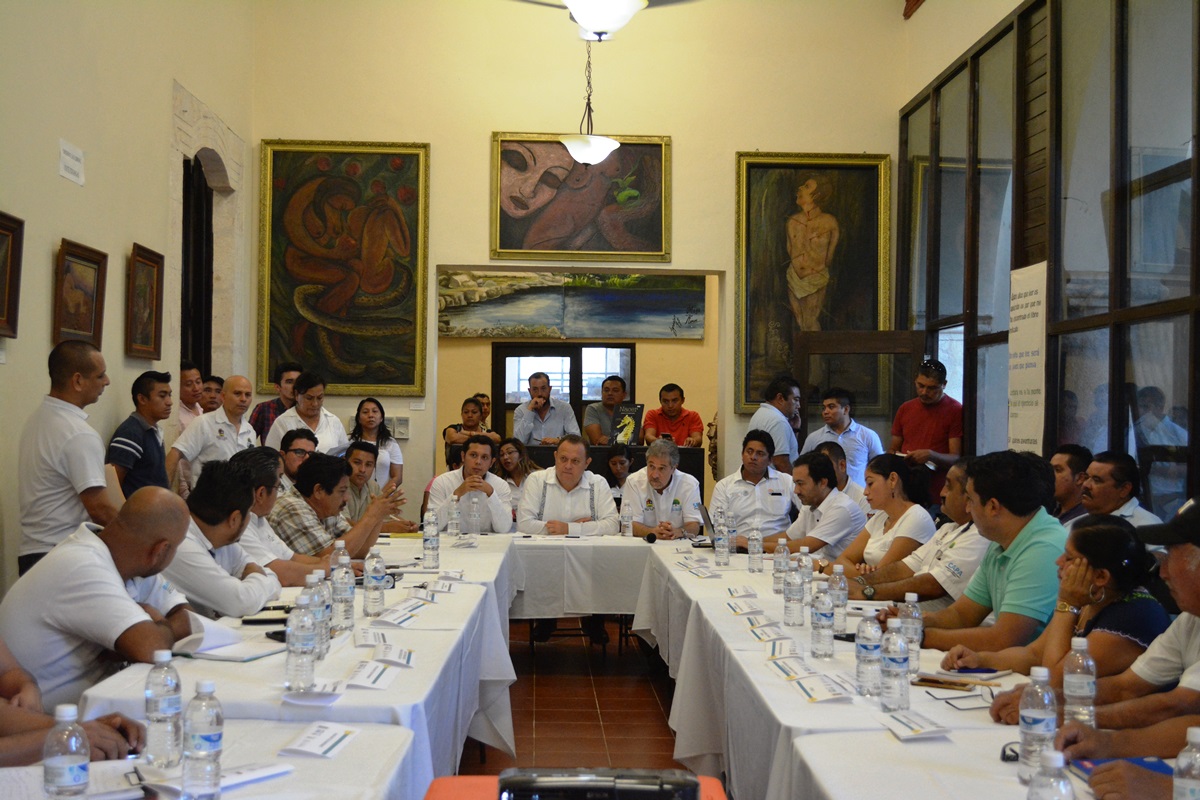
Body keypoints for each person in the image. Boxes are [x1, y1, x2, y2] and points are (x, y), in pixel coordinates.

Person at [994, 498, 1200, 739]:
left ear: (1101, 576)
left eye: (1172, 557)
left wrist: (1065, 712)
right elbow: (1124, 688)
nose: (1163, 573)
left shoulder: (1136, 614)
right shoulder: (1190, 620)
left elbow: (1179, 704)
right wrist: (1052, 698)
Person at [0, 488, 192, 708]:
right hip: (48, 719)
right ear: (160, 551)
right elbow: (152, 648)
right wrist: (156, 623)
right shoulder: (83, 564)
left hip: (93, 706)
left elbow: (188, 619)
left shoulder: (129, 558)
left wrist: (149, 632)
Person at [943, 516, 1169, 685]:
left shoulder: (1134, 616)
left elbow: (1056, 680)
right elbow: (1034, 654)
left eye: (1069, 558)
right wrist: (980, 659)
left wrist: (1066, 605)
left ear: (1101, 576)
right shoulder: (1092, 597)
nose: (1058, 562)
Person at [881, 450, 1065, 652]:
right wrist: (910, 621)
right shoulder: (1001, 540)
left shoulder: (1043, 548)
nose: (967, 509)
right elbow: (961, 615)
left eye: (970, 500)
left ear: (993, 507)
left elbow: (1003, 639)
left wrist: (916, 635)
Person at [17, 341, 118, 574]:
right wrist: (138, 539)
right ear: (78, 381)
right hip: (62, 554)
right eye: (100, 375)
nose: (107, 381)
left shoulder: (37, 420)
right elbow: (99, 509)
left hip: (34, 552)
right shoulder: (78, 433)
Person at [848, 459, 988, 611]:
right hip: (908, 612)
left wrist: (868, 592)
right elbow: (903, 567)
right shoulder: (947, 528)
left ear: (969, 498)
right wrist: (859, 581)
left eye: (949, 486)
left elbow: (932, 585)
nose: (941, 493)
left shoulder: (979, 537)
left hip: (923, 618)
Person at [517, 435, 618, 644]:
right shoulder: (537, 480)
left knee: (602, 563)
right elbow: (524, 523)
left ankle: (594, 620)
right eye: (563, 459)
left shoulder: (598, 483)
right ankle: (545, 619)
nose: (568, 466)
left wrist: (569, 528)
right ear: (555, 456)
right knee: (543, 563)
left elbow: (612, 524)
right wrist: (578, 528)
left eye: (575, 461)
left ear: (587, 463)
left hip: (588, 557)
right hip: (545, 556)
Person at [161, 460, 282, 619]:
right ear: (234, 519)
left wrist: (255, 580)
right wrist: (259, 579)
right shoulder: (181, 543)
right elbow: (240, 603)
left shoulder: (221, 538)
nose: (250, 517)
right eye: (249, 512)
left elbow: (270, 575)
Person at [269, 452, 405, 559]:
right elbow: (329, 557)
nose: (346, 498)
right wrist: (371, 516)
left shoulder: (325, 509)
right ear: (319, 491)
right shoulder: (292, 507)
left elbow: (359, 550)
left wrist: (378, 516)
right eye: (342, 491)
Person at [228, 446, 329, 586]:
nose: (280, 493)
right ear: (261, 493)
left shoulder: (259, 518)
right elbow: (283, 575)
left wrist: (333, 563)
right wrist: (326, 568)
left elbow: (292, 558)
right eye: (278, 486)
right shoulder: (238, 525)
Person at [823, 453, 936, 574]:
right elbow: (842, 561)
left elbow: (882, 575)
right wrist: (864, 573)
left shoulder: (916, 518)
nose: (865, 492)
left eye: (870, 483)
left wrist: (862, 574)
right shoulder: (880, 516)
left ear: (893, 479)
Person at [166, 374, 256, 496]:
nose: (243, 399)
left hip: (239, 499)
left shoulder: (250, 430)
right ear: (223, 396)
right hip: (206, 499)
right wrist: (164, 491)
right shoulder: (204, 423)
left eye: (248, 395)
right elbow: (175, 453)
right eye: (237, 393)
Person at [765, 450, 866, 559]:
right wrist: (754, 541)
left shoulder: (842, 508)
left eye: (800, 484)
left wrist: (757, 545)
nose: (796, 491)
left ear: (822, 483)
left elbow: (806, 546)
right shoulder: (809, 504)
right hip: (817, 566)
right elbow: (788, 537)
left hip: (840, 569)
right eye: (795, 484)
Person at [889, 358, 963, 499]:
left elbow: (956, 458)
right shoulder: (905, 408)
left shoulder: (955, 410)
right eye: (920, 386)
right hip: (906, 489)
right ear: (915, 381)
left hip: (937, 491)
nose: (924, 392)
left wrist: (931, 455)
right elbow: (893, 450)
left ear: (944, 384)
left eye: (932, 388)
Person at [710, 430, 793, 540]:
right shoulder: (724, 486)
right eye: (749, 452)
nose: (753, 457)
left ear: (770, 460)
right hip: (738, 546)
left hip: (777, 546)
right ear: (742, 454)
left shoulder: (787, 482)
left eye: (760, 454)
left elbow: (807, 512)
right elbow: (716, 525)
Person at [106, 370, 173, 497]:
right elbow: (113, 485)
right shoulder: (130, 433)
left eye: (169, 395)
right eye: (162, 396)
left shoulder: (152, 430)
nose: (169, 402)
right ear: (142, 399)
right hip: (138, 509)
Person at [427, 435, 513, 533]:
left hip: (486, 541)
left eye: (484, 457)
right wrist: (456, 495)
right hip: (451, 541)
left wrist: (491, 494)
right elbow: (432, 526)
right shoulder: (442, 482)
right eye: (473, 455)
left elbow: (504, 528)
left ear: (492, 462)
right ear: (463, 457)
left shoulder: (500, 485)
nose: (478, 462)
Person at [785, 173, 839, 331]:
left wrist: (814, 267)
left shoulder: (830, 222)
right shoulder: (792, 221)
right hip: (794, 278)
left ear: (817, 195)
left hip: (815, 279)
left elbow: (829, 257)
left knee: (810, 322)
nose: (800, 188)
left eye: (806, 187)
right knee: (800, 322)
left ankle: (817, 348)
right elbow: (790, 250)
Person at [801, 387, 884, 486]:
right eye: (824, 408)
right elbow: (803, 467)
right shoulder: (814, 438)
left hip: (859, 494)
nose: (825, 412)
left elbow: (880, 469)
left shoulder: (867, 435)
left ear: (846, 409)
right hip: (825, 493)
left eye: (831, 407)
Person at [621, 439, 702, 540]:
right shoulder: (634, 482)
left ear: (673, 468)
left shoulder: (689, 484)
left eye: (661, 468)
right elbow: (630, 524)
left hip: (676, 543)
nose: (655, 475)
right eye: (651, 466)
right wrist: (652, 532)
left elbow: (694, 525)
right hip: (644, 543)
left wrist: (679, 532)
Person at [1134, 385, 1188, 519]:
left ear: (1160, 407)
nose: (1141, 411)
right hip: (1142, 497)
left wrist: (1158, 469)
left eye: (1146, 407)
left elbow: (1192, 467)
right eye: (1139, 406)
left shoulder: (1178, 433)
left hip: (1172, 499)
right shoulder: (1134, 430)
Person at [265, 372, 350, 455]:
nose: (315, 404)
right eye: (309, 398)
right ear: (296, 395)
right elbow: (271, 458)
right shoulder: (282, 423)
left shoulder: (333, 421)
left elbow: (344, 454)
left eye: (319, 398)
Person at [343, 441, 417, 532]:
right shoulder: (337, 486)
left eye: (368, 465)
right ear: (345, 462)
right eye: (357, 463)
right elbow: (343, 524)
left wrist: (408, 525)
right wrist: (386, 528)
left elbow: (387, 517)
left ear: (374, 467)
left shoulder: (373, 487)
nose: (362, 469)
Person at [1080, 451, 1162, 526]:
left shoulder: (1146, 526)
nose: (1085, 485)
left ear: (1124, 489)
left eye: (1097, 480)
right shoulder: (1076, 523)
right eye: (1086, 477)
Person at [746, 376, 802, 473]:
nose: (799, 406)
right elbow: (781, 462)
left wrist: (794, 429)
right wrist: (795, 481)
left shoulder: (761, 413)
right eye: (796, 400)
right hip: (776, 481)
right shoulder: (778, 421)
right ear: (780, 398)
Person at [512, 372, 580, 446]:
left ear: (550, 389)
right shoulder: (521, 410)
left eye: (543, 388)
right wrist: (530, 411)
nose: (539, 394)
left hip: (557, 451)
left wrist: (558, 440)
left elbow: (576, 438)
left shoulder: (564, 408)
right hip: (530, 452)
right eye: (535, 389)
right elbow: (518, 442)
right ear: (529, 391)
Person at [349, 397, 404, 486]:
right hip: (353, 493)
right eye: (365, 412)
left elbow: (397, 477)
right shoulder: (349, 441)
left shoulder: (390, 443)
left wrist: (380, 494)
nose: (370, 415)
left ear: (381, 417)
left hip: (383, 493)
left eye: (375, 411)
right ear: (358, 418)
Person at [248, 360, 303, 444]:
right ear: (277, 387)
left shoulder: (305, 409)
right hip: (271, 452)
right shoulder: (264, 409)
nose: (295, 386)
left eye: (298, 382)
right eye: (289, 382)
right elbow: (247, 439)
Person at [813, 440, 871, 516]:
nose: (821, 472)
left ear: (842, 465)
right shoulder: (814, 495)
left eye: (826, 467)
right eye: (817, 468)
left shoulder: (863, 498)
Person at [494, 438, 541, 530]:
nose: (505, 457)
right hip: (510, 529)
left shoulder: (537, 476)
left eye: (510, 452)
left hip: (535, 527)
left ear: (521, 455)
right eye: (502, 455)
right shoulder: (499, 482)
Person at [642, 383, 704, 448]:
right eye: (666, 401)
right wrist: (658, 442)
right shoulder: (652, 414)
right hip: (659, 453)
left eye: (674, 401)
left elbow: (698, 438)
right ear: (660, 401)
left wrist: (693, 441)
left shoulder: (692, 416)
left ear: (683, 400)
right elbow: (648, 436)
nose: (670, 405)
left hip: (685, 454)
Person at [443, 396, 500, 466]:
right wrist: (479, 438)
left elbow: (497, 438)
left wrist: (471, 434)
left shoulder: (487, 432)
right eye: (466, 412)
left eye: (474, 412)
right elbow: (452, 438)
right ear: (461, 414)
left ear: (481, 415)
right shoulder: (454, 429)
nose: (470, 415)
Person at [1051, 443, 1092, 527]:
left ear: (1080, 478)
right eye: (1050, 469)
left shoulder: (1086, 522)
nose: (1050, 475)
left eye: (1057, 470)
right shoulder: (1052, 514)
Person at [583, 375, 628, 446]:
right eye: (606, 390)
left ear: (624, 395)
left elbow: (639, 438)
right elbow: (597, 440)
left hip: (627, 451)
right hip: (601, 452)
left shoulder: (629, 410)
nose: (610, 393)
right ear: (601, 393)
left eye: (615, 390)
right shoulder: (593, 409)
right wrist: (625, 439)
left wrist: (609, 439)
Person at [278, 428, 318, 493]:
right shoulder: (272, 487)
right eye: (299, 452)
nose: (307, 458)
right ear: (282, 455)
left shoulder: (313, 486)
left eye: (311, 454)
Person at [173, 360, 204, 439]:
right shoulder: (176, 414)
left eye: (198, 382)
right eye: (189, 384)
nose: (196, 388)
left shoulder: (198, 406)